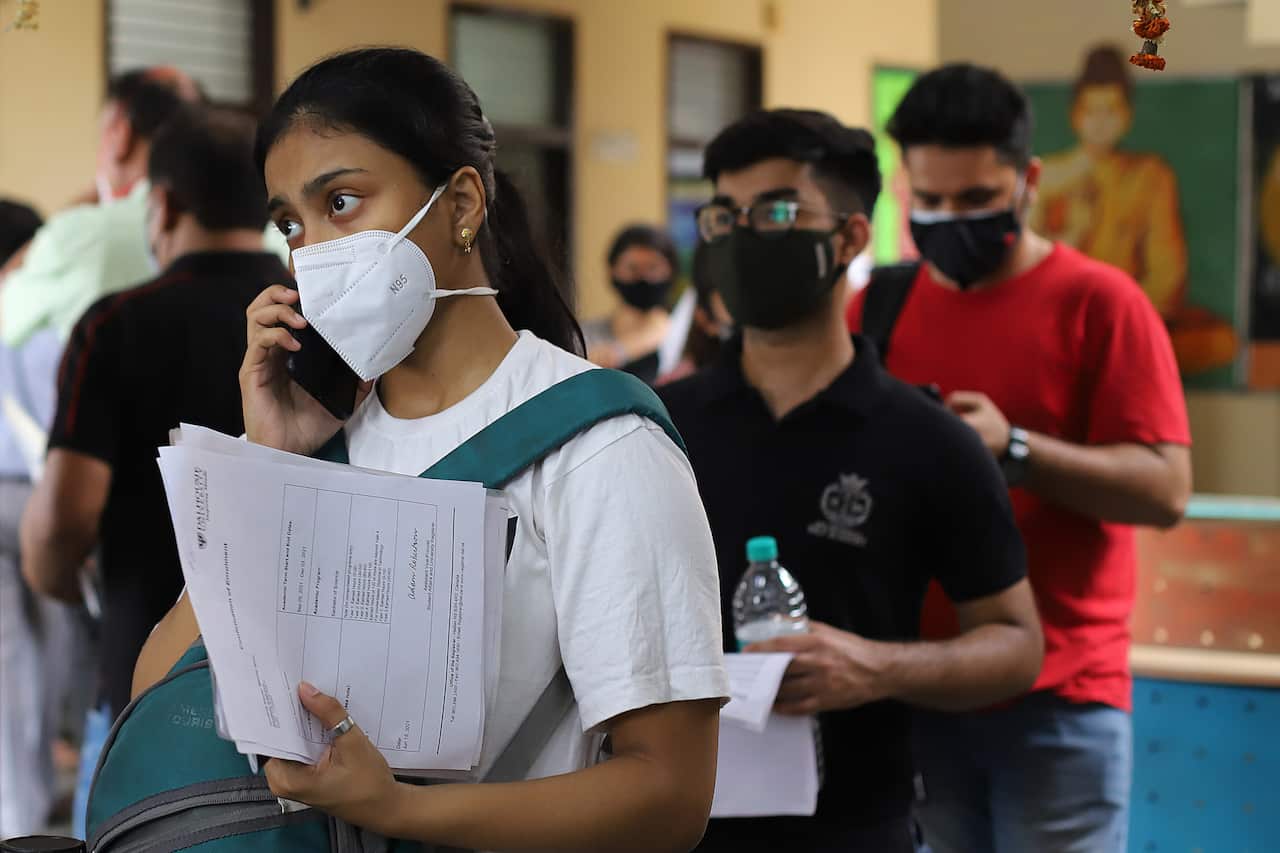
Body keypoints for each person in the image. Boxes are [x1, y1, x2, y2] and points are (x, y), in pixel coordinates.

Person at [132, 48, 729, 851]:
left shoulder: (600, 444)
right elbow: (159, 698)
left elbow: (668, 793)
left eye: (342, 201)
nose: (311, 252)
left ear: (462, 204)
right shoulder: (315, 443)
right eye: (290, 224)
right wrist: (269, 466)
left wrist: (401, 810)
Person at [659, 108, 1043, 853]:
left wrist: (874, 666)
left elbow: (1015, 643)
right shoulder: (658, 425)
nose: (744, 236)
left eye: (776, 211)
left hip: (854, 825)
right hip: (668, 821)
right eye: (724, 215)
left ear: (850, 238)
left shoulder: (927, 438)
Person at [848, 63, 1192, 853]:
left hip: (1062, 696)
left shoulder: (1100, 303)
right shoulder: (879, 305)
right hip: (918, 687)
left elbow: (1166, 489)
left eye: (975, 200)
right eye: (927, 201)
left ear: (1028, 180)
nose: (947, 219)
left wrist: (1020, 450)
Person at [19, 106, 292, 839]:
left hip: (148, 686)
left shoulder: (119, 324)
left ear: (162, 202)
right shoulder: (308, 317)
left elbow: (63, 523)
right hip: (303, 710)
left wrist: (65, 590)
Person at [1032, 45, 1236, 375]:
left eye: (1111, 111)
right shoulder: (1050, 176)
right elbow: (1027, 263)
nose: (1100, 123)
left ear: (1127, 117)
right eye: (1091, 111)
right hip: (1061, 317)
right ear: (1075, 115)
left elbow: (1167, 275)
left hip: (1129, 318)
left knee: (1219, 342)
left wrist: (1122, 318)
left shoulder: (1150, 177)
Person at [0, 67, 203, 348]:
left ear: (120, 133)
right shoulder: (248, 225)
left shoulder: (81, 232)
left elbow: (6, 303)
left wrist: (90, 197)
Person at [0, 200, 89, 837]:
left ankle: (17, 809)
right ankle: (68, 788)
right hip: (33, 499)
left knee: (10, 664)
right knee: (61, 644)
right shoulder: (38, 318)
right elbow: (59, 424)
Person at [585, 224, 678, 382]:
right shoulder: (585, 335)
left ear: (671, 271)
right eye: (632, 268)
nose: (644, 278)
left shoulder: (684, 334)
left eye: (653, 267)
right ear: (612, 271)